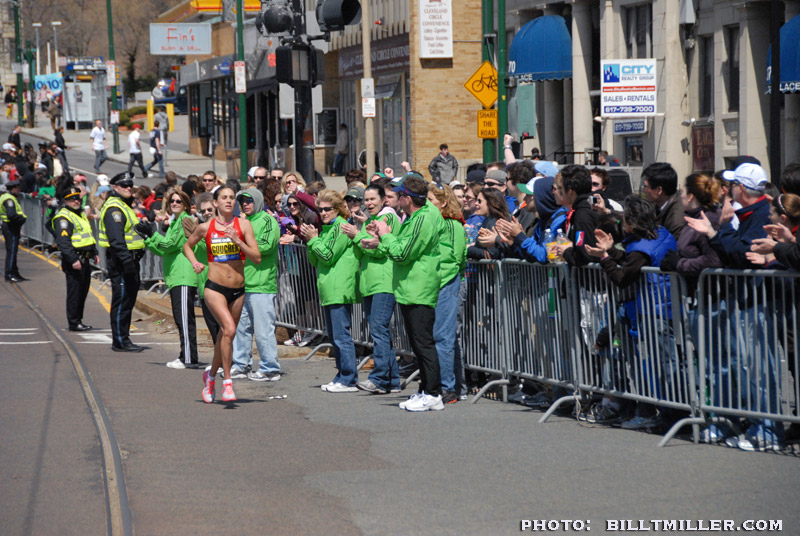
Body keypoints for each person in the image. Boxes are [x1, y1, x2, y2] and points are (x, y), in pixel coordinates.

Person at [367, 176, 444, 411]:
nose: (395, 200)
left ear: (407, 198)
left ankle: (433, 393)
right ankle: (424, 390)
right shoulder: (416, 217)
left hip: (419, 287)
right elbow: (400, 246)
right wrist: (381, 240)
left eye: (399, 196)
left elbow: (402, 253)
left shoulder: (423, 218)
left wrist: (385, 233)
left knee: (423, 343)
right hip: (411, 287)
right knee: (417, 343)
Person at [183, 186, 261, 403]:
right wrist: (195, 262)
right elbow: (187, 247)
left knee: (225, 336)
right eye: (224, 198)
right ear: (215, 203)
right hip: (214, 288)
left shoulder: (243, 225)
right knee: (229, 329)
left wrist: (238, 241)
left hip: (238, 289)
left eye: (232, 198)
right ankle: (227, 382)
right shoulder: (205, 227)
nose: (229, 201)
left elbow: (256, 257)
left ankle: (210, 377)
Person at [300, 190, 360, 393]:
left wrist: (313, 240)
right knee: (334, 337)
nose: (323, 213)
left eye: (327, 209)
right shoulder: (326, 229)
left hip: (339, 287)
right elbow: (314, 259)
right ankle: (341, 373)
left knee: (341, 336)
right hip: (327, 287)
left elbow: (327, 255)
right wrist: (311, 241)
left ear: (337, 209)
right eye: (320, 209)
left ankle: (349, 377)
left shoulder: (342, 227)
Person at [346, 183, 402, 394]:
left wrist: (357, 236)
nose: (369, 203)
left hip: (384, 282)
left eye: (373, 199)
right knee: (379, 332)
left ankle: (379, 378)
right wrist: (357, 238)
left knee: (379, 331)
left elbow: (380, 250)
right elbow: (362, 251)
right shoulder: (370, 221)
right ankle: (392, 380)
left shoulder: (386, 219)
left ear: (383, 200)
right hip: (370, 283)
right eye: (366, 200)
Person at [135, 189, 200, 369]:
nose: (175, 204)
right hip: (175, 275)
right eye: (172, 201)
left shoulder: (185, 220)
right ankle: (184, 355)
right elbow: (164, 250)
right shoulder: (175, 222)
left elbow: (170, 244)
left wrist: (153, 234)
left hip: (184, 275)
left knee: (185, 320)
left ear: (186, 204)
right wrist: (148, 239)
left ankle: (189, 358)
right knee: (180, 319)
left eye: (179, 201)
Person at [230, 188, 282, 382]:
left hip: (261, 284)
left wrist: (240, 242)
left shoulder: (268, 221)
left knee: (263, 331)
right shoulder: (241, 222)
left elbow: (267, 246)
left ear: (258, 201)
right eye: (242, 201)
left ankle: (270, 368)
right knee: (240, 329)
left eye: (249, 201)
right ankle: (241, 364)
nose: (245, 204)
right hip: (242, 284)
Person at [98, 172, 147, 352]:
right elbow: (116, 240)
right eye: (124, 185)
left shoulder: (123, 206)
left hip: (130, 261)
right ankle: (120, 341)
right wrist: (127, 262)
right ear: (115, 187)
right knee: (121, 300)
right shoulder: (115, 209)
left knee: (128, 300)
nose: (128, 187)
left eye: (130, 185)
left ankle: (123, 337)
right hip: (121, 262)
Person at [427, 184, 467, 404]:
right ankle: (436, 383)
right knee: (434, 336)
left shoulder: (452, 225)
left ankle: (448, 387)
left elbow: (455, 259)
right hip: (431, 285)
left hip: (447, 283)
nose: (427, 204)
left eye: (431, 200)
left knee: (444, 336)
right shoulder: (430, 223)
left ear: (443, 202)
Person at [52, 186, 98, 331]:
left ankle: (78, 319)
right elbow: (64, 243)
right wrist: (73, 260)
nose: (76, 201)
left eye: (77, 198)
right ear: (66, 201)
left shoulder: (80, 214)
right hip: (75, 260)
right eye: (72, 199)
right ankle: (74, 322)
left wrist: (94, 252)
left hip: (85, 258)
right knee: (75, 292)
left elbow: (87, 236)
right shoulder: (64, 217)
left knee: (82, 291)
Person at [641, 162, 685, 240]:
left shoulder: (676, 219)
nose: (643, 190)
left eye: (646, 186)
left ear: (659, 190)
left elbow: (672, 248)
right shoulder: (658, 205)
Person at [1, 180, 27, 282]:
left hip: (9, 226)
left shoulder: (6, 197)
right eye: (18, 188)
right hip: (10, 227)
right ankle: (10, 274)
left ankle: (15, 272)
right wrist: (22, 219)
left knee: (12, 251)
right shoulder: (9, 200)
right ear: (13, 189)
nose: (19, 190)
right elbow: (11, 215)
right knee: (11, 252)